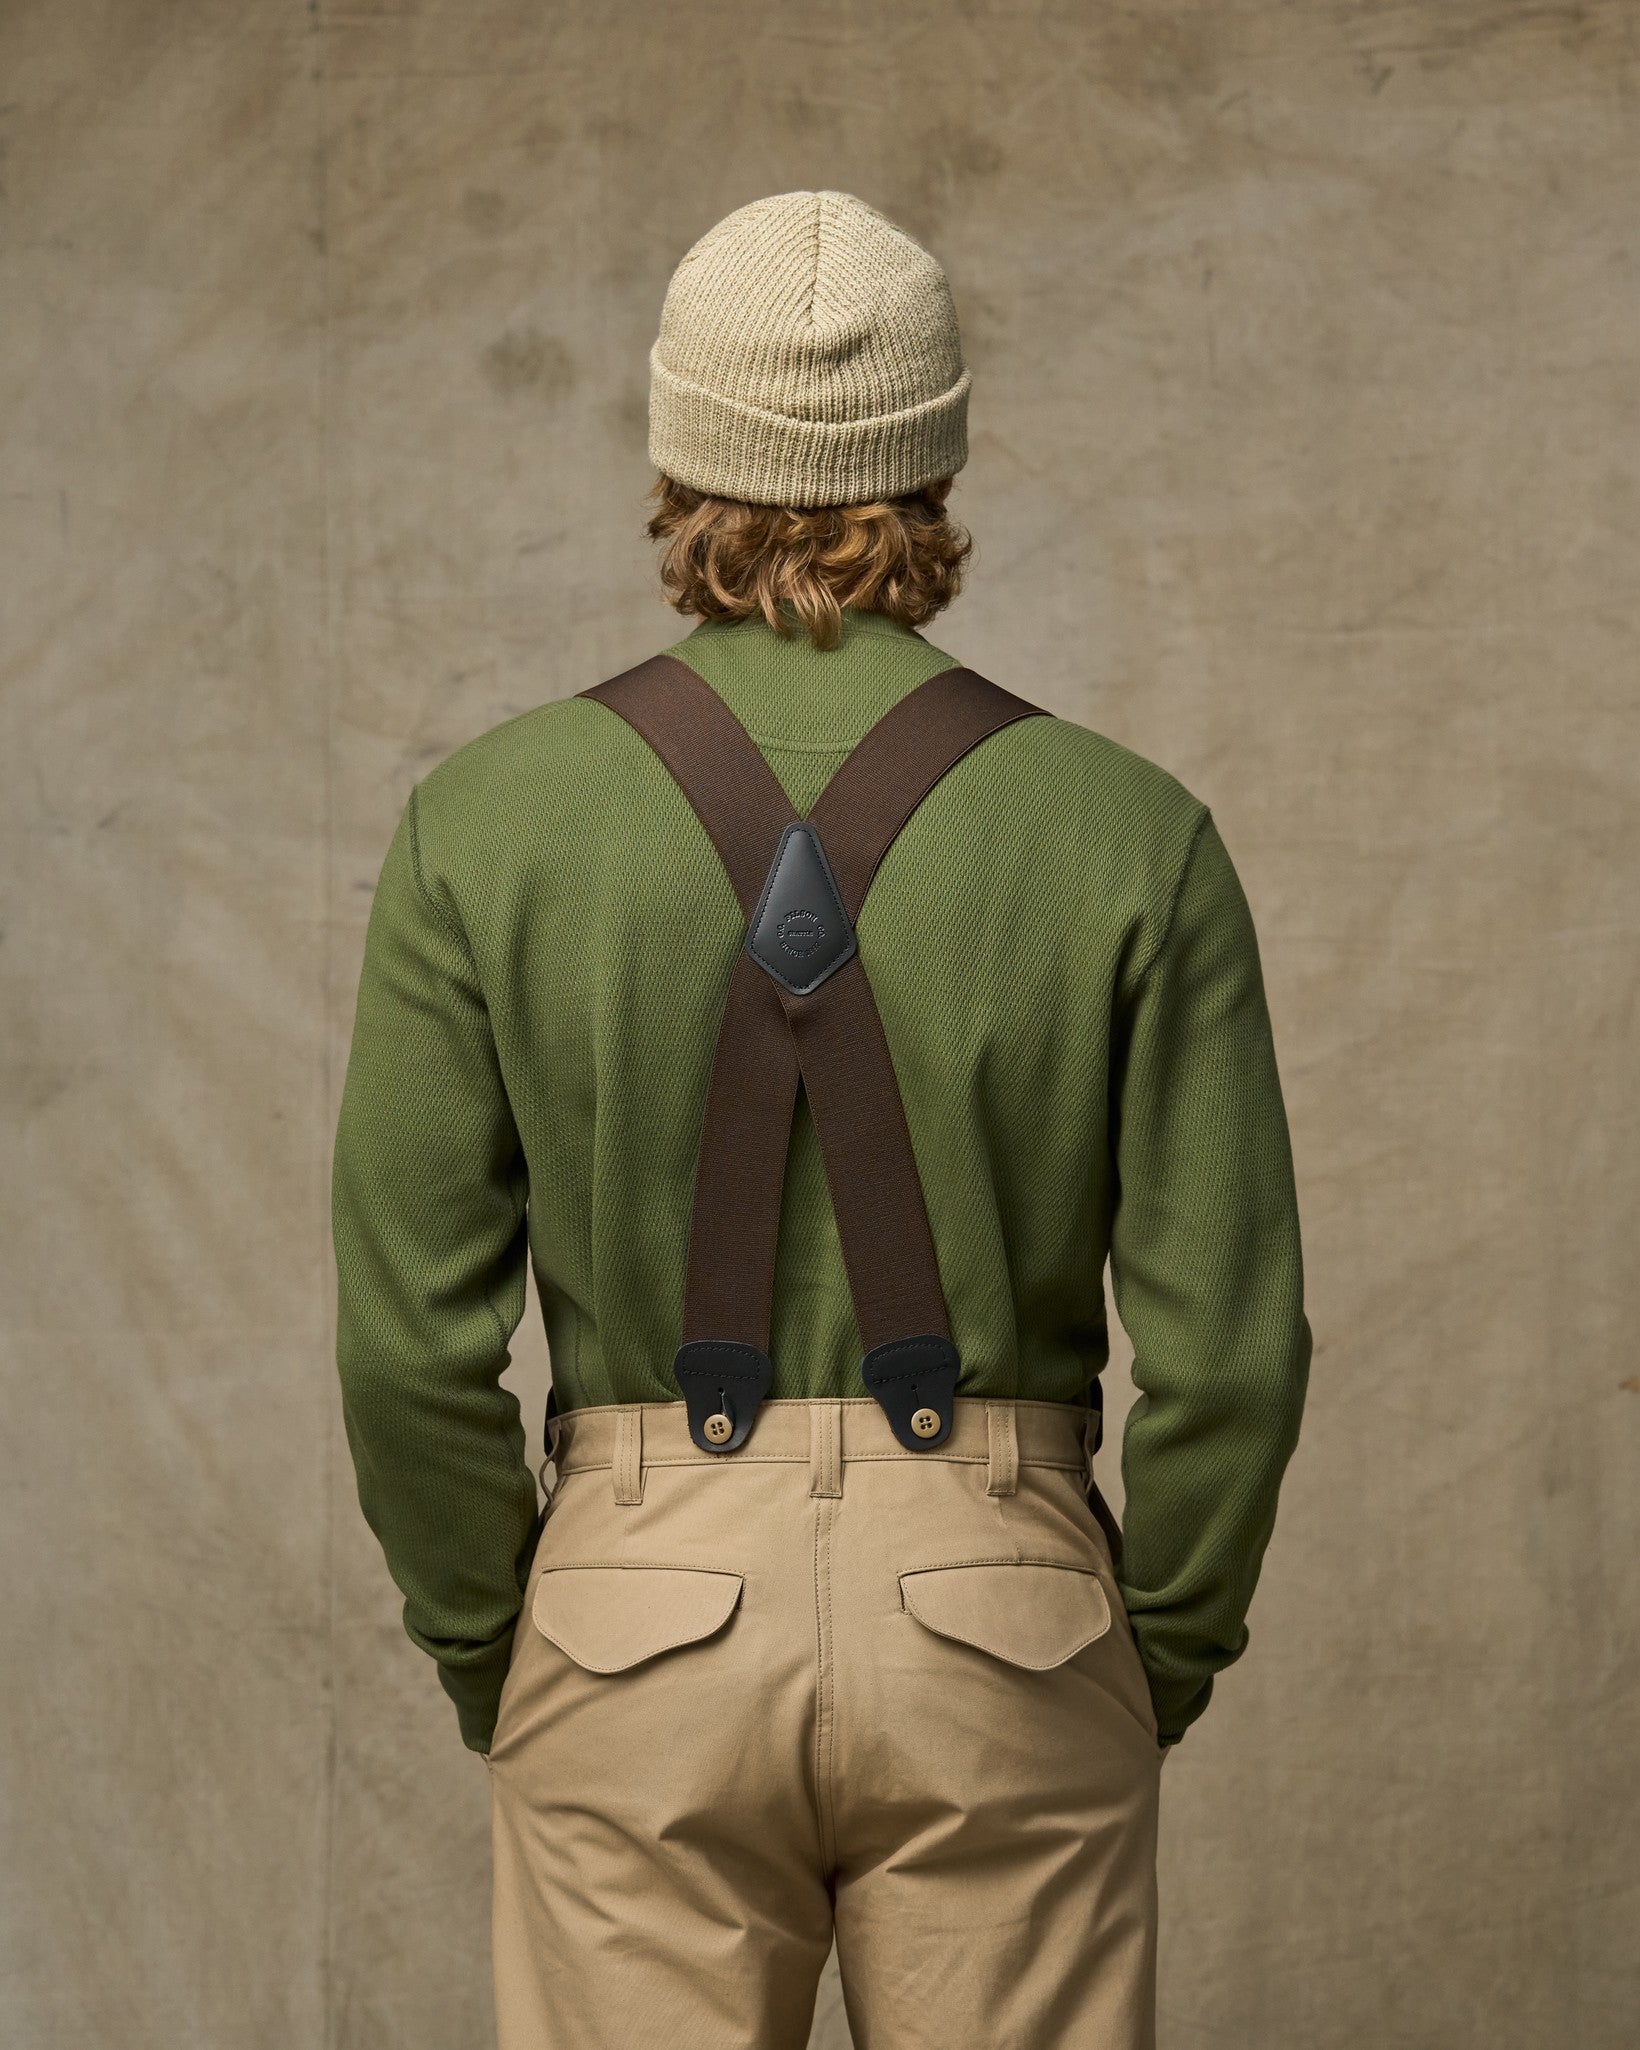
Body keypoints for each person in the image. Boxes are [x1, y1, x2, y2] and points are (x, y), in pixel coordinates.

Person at [332, 188, 1311, 2050]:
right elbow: (1234, 1357)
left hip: (631, 1615)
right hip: (1008, 1619)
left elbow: (405, 1348)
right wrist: (1142, 1660)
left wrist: (503, 1647)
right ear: (935, 462)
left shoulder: (481, 825)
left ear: (679, 453)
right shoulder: (1136, 833)